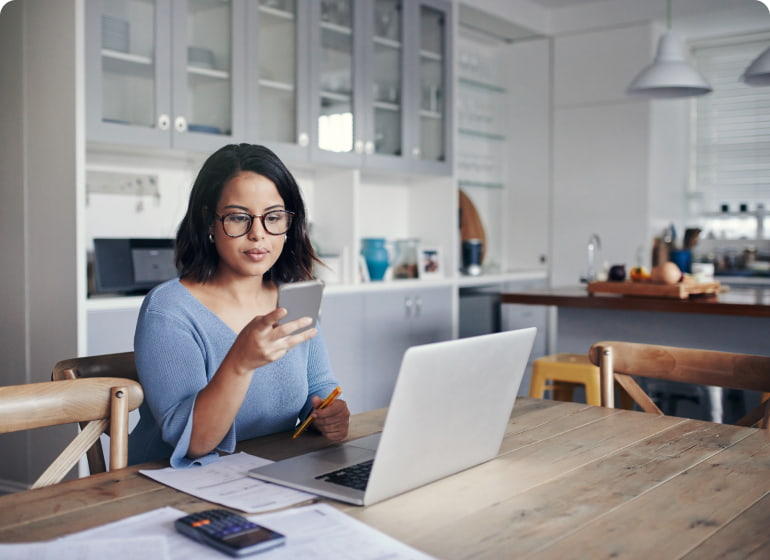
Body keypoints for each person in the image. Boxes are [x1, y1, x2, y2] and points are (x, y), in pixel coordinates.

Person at [129, 143, 349, 467]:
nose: (258, 234)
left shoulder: (294, 297)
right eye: (238, 218)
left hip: (267, 474)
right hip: (168, 491)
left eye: (273, 217)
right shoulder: (169, 309)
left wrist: (329, 413)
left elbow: (319, 387)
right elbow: (193, 444)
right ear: (209, 221)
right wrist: (240, 363)